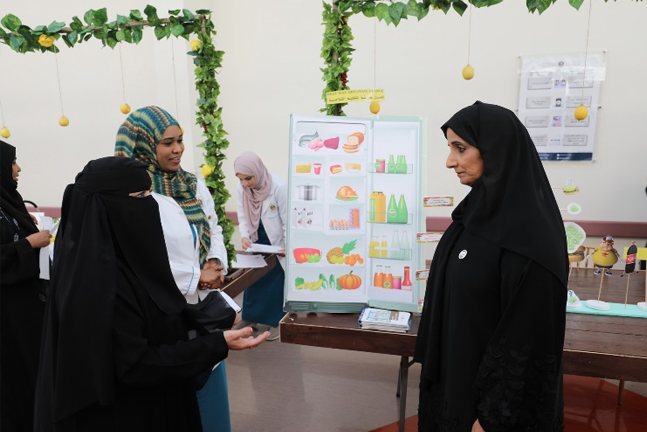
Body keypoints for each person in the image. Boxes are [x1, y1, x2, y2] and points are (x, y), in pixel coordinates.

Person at [34, 157, 268, 432]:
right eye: (141, 196)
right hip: (130, 414)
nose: (151, 204)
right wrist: (215, 344)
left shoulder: (131, 260)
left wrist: (208, 317)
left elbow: (158, 311)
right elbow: (136, 364)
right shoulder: (99, 284)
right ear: (109, 206)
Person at [414, 102, 568, 432]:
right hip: (455, 385)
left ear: (496, 149)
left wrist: (491, 419)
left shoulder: (532, 238)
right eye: (450, 148)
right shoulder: (470, 217)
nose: (450, 161)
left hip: (492, 412)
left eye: (460, 148)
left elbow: (528, 336)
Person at [115, 106, 233, 432]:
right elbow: (140, 257)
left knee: (209, 383)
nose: (178, 149)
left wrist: (213, 261)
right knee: (177, 390)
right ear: (143, 145)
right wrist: (195, 276)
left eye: (179, 140)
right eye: (167, 143)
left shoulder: (191, 184)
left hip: (200, 308)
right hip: (161, 312)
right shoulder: (132, 195)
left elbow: (212, 226)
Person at [0, 140, 50, 431]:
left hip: (27, 313)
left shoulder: (10, 200)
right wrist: (28, 243)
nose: (18, 169)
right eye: (12, 162)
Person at [234, 151, 287, 340]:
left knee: (275, 280)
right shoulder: (243, 189)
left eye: (248, 178)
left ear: (258, 171)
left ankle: (276, 322)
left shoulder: (279, 187)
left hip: (277, 242)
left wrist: (286, 245)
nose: (245, 183)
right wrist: (244, 236)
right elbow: (242, 215)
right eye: (241, 179)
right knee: (254, 278)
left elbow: (287, 221)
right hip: (256, 238)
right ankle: (249, 318)